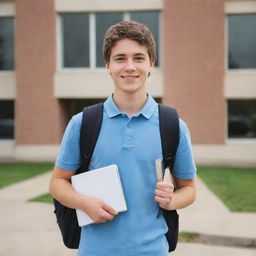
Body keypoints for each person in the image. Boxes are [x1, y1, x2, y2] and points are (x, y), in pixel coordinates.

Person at [49, 20, 196, 256]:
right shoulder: (83, 123)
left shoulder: (173, 126)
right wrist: (83, 203)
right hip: (94, 250)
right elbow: (57, 183)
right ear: (108, 65)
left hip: (153, 250)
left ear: (151, 64)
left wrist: (172, 201)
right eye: (120, 59)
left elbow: (189, 189)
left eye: (138, 58)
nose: (129, 66)